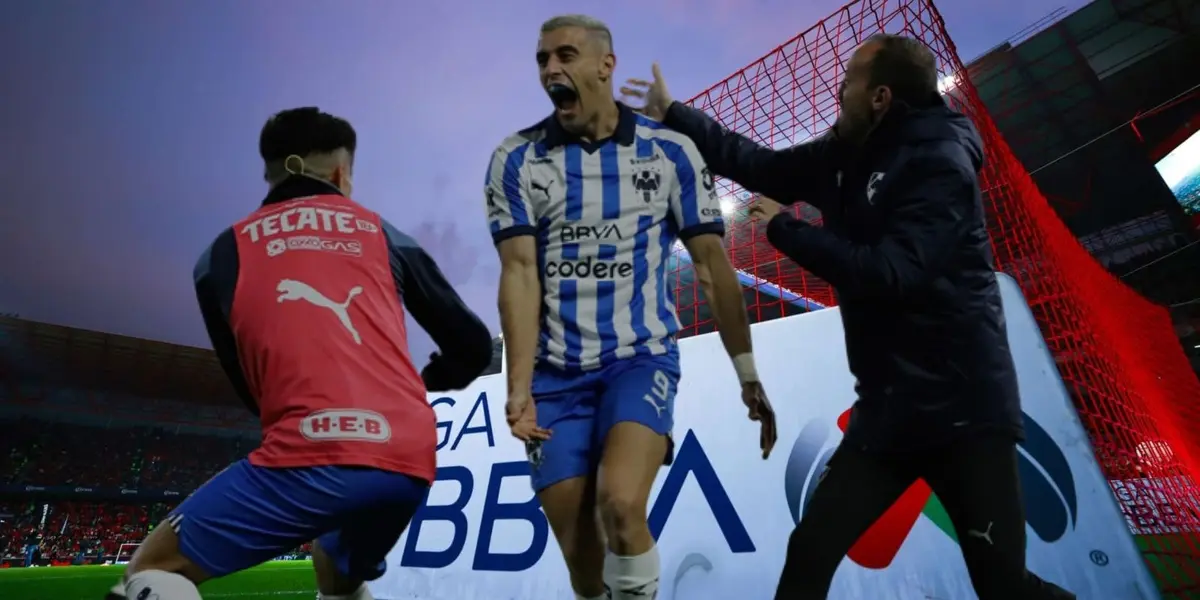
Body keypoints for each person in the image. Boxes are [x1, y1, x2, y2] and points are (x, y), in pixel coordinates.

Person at [623, 34, 1076, 600]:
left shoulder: (939, 160)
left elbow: (891, 272)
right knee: (810, 550)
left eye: (849, 82)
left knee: (1003, 588)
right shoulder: (843, 151)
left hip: (965, 413)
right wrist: (676, 115)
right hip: (888, 415)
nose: (839, 91)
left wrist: (784, 230)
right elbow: (760, 165)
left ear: (881, 97)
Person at [105, 107, 494, 600]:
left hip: (311, 446)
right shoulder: (383, 233)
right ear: (339, 172)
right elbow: (474, 345)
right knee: (335, 566)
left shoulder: (220, 256)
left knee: (153, 567)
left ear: (269, 170)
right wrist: (414, 392)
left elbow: (252, 385)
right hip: (408, 456)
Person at [487, 14, 777, 600]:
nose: (550, 70)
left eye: (564, 55)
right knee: (582, 557)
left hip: (638, 359)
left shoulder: (670, 151)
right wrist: (516, 386)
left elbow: (711, 265)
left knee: (621, 503)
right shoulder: (515, 159)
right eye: (542, 59)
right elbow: (518, 273)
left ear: (605, 65)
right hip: (554, 376)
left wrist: (747, 374)